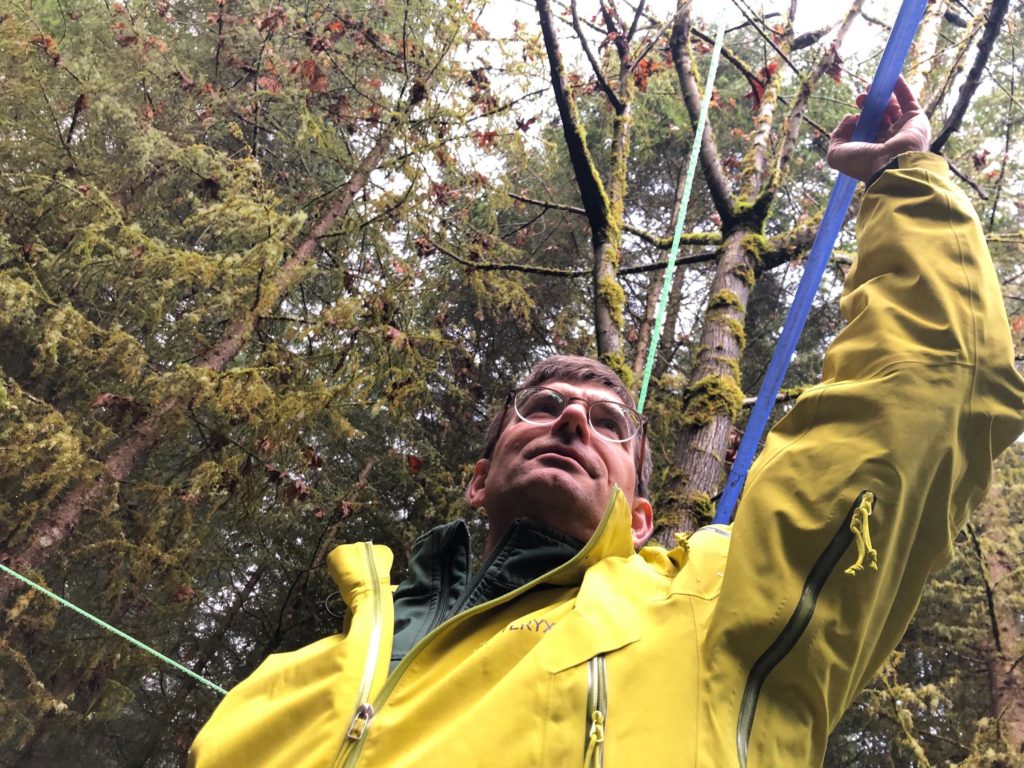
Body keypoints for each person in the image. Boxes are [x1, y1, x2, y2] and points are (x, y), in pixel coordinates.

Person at [188, 78, 1024, 767]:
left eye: (608, 423)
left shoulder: (713, 612)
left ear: (644, 518)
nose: (573, 423)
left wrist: (903, 174)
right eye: (544, 407)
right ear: (478, 479)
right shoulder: (280, 690)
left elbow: (929, 390)